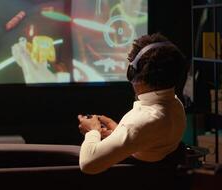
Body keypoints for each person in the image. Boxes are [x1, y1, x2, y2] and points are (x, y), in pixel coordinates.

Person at [78, 33, 188, 174]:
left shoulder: (142, 121)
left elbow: (88, 164)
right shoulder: (175, 105)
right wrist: (118, 132)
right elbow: (147, 140)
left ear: (133, 73)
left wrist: (92, 131)